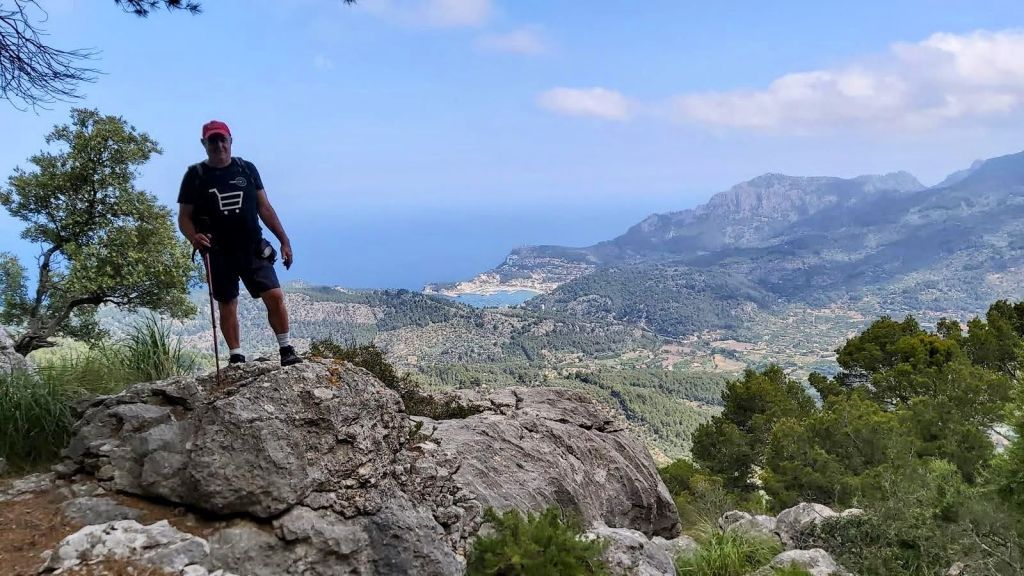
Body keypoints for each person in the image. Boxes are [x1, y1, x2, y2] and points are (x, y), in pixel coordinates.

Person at [177, 120, 302, 367]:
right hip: (217, 251)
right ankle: (236, 356)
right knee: (227, 303)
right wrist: (193, 237)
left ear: (231, 141)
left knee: (275, 296)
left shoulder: (246, 169)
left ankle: (286, 349)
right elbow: (184, 218)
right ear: (204, 144)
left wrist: (284, 241)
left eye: (223, 139)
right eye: (213, 141)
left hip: (252, 246)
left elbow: (264, 207)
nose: (219, 145)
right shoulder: (195, 176)